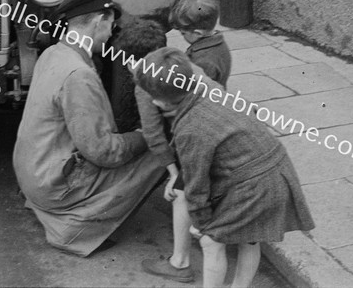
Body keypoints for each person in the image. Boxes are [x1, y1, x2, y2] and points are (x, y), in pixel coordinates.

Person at [135, 47, 315, 288]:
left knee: (211, 243)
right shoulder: (210, 90)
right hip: (277, 169)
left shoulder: (190, 128)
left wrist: (201, 224)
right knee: (251, 240)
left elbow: (195, 186)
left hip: (254, 186)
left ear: (159, 101)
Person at [12, 0, 165, 257]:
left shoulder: (54, 53)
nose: (110, 35)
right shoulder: (78, 74)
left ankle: (58, 210)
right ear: (99, 20)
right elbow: (104, 152)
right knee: (162, 150)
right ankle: (75, 229)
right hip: (54, 188)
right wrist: (146, 135)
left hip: (33, 174)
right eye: (110, 25)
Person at [115, 18, 194, 282]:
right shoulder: (178, 66)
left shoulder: (143, 82)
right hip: (197, 128)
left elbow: (153, 133)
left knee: (181, 192)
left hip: (186, 140)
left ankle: (179, 262)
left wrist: (171, 171)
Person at [169, 0, 231, 88]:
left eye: (183, 33)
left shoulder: (204, 61)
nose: (182, 36)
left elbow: (195, 89)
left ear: (198, 33)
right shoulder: (217, 43)